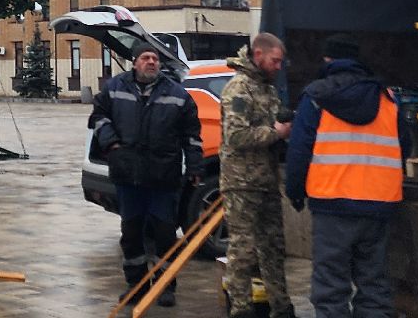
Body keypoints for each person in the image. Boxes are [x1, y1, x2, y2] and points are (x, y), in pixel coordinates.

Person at [283, 33, 403, 318]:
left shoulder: (316, 97)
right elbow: (404, 146)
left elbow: (299, 150)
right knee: (374, 285)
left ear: (328, 59)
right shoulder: (387, 98)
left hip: (332, 203)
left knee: (330, 287)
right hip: (378, 204)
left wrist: (295, 192)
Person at [89, 44, 202, 307]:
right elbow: (98, 116)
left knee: (164, 234)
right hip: (128, 175)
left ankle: (165, 286)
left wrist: (195, 168)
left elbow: (192, 136)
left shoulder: (177, 95)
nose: (151, 62)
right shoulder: (115, 88)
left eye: (155, 58)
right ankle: (136, 286)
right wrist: (111, 144)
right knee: (131, 233)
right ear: (134, 62)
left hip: (163, 177)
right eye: (145, 58)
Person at [220, 32, 296, 318]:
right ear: (259, 54)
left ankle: (281, 307)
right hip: (241, 184)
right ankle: (241, 309)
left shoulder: (268, 89)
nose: (279, 66)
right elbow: (236, 135)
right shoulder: (239, 88)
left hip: (267, 182)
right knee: (243, 251)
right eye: (275, 61)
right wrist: (275, 133)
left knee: (274, 249)